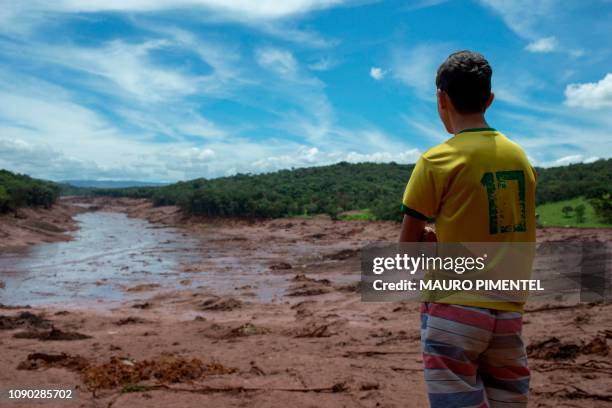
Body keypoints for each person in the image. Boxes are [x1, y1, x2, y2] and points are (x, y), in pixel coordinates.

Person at [399, 50, 536, 407]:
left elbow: (406, 248)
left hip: (454, 311)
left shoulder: (436, 160)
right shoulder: (519, 158)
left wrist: (430, 239)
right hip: (508, 312)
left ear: (440, 99)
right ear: (489, 99)